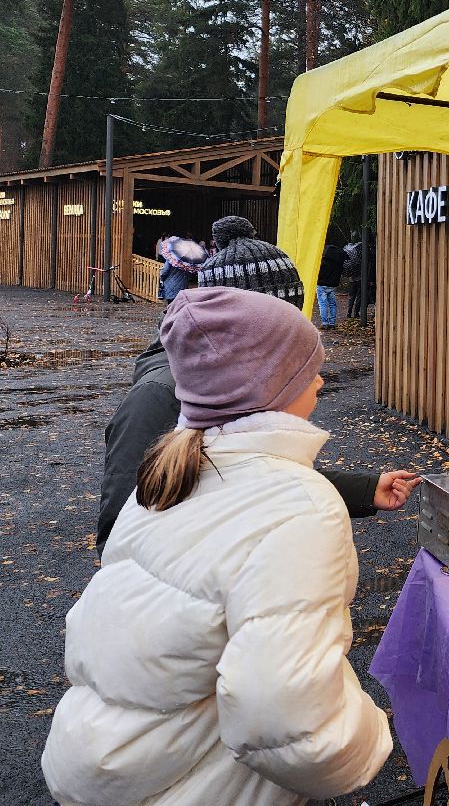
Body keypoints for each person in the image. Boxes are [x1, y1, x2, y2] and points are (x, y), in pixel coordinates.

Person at [44, 287, 393, 804]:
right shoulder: (301, 507)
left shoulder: (164, 477)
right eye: (307, 369)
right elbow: (289, 722)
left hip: (107, 766)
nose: (320, 379)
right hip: (200, 784)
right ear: (270, 386)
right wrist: (371, 735)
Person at [98, 226, 420, 552]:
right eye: (279, 329)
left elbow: (249, 477)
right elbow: (121, 531)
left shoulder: (235, 384)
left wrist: (362, 490)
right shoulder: (160, 395)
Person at [156, 235, 206, 303]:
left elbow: (165, 271)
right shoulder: (190, 263)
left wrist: (161, 276)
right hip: (183, 286)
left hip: (170, 284)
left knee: (171, 305)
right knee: (179, 305)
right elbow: (190, 275)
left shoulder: (172, 259)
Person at [317, 237, 346, 329]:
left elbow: (319, 274)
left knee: (323, 304)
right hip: (333, 285)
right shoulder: (339, 263)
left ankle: (325, 323)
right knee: (332, 304)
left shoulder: (323, 262)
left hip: (321, 285)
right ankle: (332, 323)